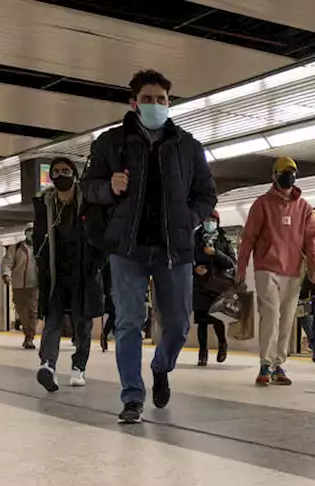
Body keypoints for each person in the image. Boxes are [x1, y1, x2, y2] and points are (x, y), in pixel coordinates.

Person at [81, 69, 217, 423]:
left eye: (162, 100)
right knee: (128, 322)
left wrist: (189, 218)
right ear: (133, 103)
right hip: (127, 249)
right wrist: (109, 186)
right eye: (147, 99)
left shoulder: (188, 146)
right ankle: (132, 397)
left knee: (177, 324)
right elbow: (88, 188)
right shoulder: (110, 143)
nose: (155, 105)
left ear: (169, 104)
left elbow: (207, 193)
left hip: (176, 249)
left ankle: (161, 367)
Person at [237, 156, 315, 387]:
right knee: (271, 316)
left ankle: (278, 364)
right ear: (274, 176)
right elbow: (248, 238)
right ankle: (265, 364)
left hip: (294, 270)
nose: (289, 176)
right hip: (267, 268)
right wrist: (241, 267)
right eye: (284, 172)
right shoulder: (262, 204)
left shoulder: (303, 207)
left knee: (286, 320)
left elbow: (311, 239)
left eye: (293, 172)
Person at [34, 156, 106, 391]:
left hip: (84, 273)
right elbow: (38, 240)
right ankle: (47, 365)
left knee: (82, 324)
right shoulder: (45, 205)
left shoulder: (89, 203)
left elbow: (102, 238)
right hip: (56, 275)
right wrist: (41, 263)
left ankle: (79, 367)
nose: (61, 174)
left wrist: (96, 265)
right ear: (51, 177)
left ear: (74, 174)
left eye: (66, 170)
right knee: (52, 320)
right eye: (56, 171)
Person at [193, 210, 236, 367]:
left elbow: (232, 262)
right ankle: (202, 353)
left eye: (212, 220)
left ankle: (222, 345)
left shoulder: (224, 240)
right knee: (201, 321)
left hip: (217, 286)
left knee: (217, 318)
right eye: (207, 219)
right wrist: (194, 268)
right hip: (200, 284)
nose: (209, 222)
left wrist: (215, 253)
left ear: (217, 222)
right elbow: (186, 258)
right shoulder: (194, 239)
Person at [2, 225, 38, 349]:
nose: (31, 234)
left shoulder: (41, 246)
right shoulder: (16, 247)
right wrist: (6, 275)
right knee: (21, 311)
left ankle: (30, 338)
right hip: (18, 285)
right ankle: (27, 333)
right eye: (29, 232)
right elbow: (7, 262)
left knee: (33, 311)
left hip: (35, 285)